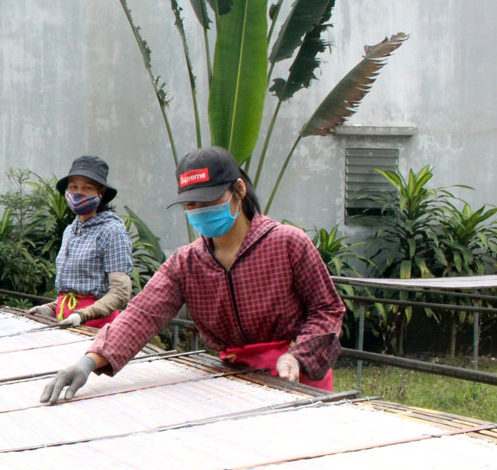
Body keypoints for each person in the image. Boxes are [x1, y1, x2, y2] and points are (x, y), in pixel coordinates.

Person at [40, 146, 345, 405]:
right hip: (235, 380)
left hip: (294, 377)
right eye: (191, 204)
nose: (199, 210)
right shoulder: (186, 263)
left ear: (238, 190)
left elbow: (327, 309)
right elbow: (141, 316)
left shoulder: (287, 243)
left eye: (208, 201)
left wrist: (298, 355)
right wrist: (88, 362)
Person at [28, 156, 133, 328]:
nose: (79, 192)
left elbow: (120, 292)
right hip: (66, 323)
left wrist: (84, 315)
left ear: (101, 193)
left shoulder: (112, 230)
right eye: (73, 187)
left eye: (88, 187)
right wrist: (49, 308)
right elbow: (73, 292)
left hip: (95, 327)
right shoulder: (70, 230)